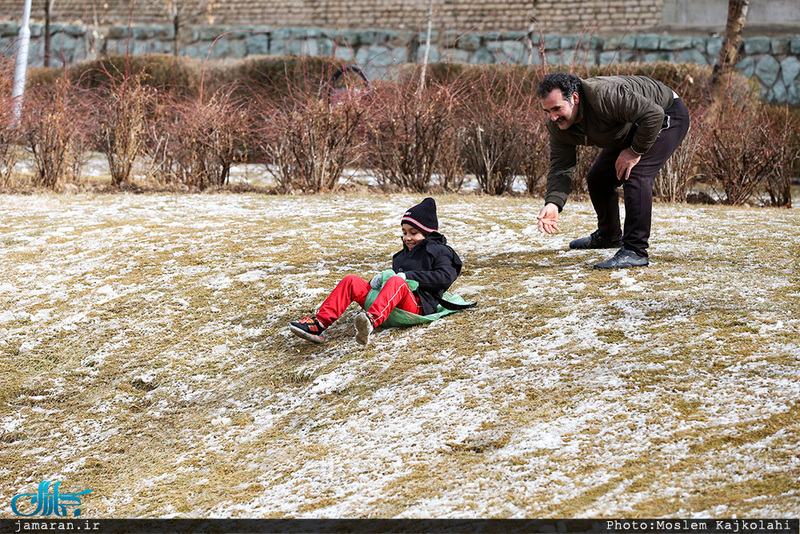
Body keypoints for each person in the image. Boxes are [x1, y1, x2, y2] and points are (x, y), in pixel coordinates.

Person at [536, 72, 690, 268]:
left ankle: (635, 251)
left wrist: (635, 151)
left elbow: (653, 115)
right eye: (547, 111)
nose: (553, 117)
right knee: (599, 178)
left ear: (574, 98)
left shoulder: (603, 95)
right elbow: (561, 166)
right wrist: (553, 203)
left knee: (636, 174)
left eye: (557, 109)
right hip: (631, 124)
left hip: (665, 113)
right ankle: (609, 235)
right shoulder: (557, 125)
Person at [289, 197, 466, 346]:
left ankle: (370, 321)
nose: (407, 238)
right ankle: (319, 323)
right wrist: (381, 280)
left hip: (419, 306)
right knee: (351, 280)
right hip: (391, 305)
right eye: (404, 232)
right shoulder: (401, 256)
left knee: (397, 282)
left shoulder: (440, 251)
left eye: (414, 232)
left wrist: (406, 277)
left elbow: (445, 277)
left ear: (428, 233)